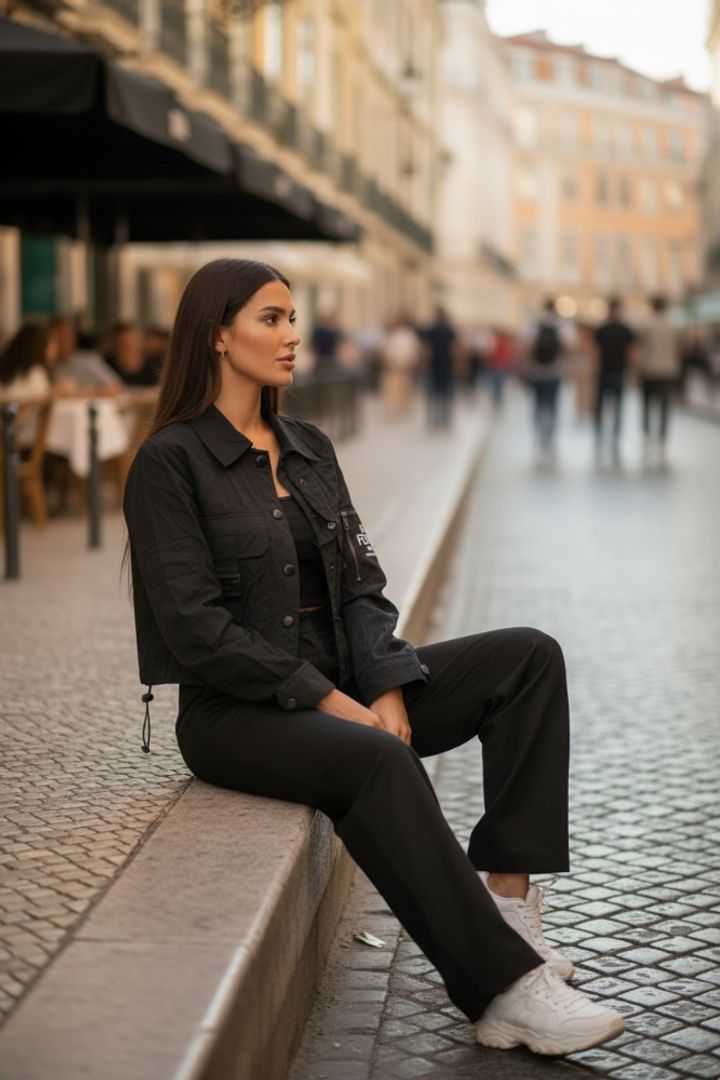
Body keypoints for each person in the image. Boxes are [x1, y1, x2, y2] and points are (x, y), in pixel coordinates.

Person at [122, 258, 624, 1058]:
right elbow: (194, 630)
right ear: (217, 337)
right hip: (238, 713)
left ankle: (506, 903)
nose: (292, 336)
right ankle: (503, 992)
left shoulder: (309, 445)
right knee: (378, 763)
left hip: (348, 684)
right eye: (271, 319)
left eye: (293, 318)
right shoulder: (169, 463)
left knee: (527, 658)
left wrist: (386, 682)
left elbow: (362, 582)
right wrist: (331, 701)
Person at [637, 296, 681, 462]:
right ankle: (662, 440)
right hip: (667, 371)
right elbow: (677, 350)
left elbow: (640, 349)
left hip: (649, 370)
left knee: (647, 405)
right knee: (664, 407)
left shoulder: (646, 325)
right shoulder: (672, 325)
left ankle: (648, 437)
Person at [593, 298, 636, 462]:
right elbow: (631, 354)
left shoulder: (602, 329)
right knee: (617, 408)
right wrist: (632, 374)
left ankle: (599, 438)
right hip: (619, 373)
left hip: (604, 373)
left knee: (601, 408)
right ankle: (614, 440)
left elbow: (595, 353)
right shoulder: (625, 330)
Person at [49, 317, 124, 394]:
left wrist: (78, 392)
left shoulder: (89, 360)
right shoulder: (46, 365)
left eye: (68, 335)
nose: (64, 340)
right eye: (59, 336)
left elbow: (116, 387)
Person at [421, 306, 457, 429]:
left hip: (445, 366)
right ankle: (437, 419)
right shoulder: (432, 330)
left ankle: (443, 419)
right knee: (435, 395)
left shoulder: (449, 330)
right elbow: (427, 348)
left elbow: (454, 348)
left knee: (444, 395)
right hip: (436, 366)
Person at [379, 314, 421, 418]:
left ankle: (401, 408)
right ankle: (395, 408)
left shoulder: (407, 336)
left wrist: (408, 362)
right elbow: (387, 350)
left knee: (403, 388)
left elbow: (412, 350)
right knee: (393, 388)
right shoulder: (393, 336)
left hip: (403, 366)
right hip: (393, 366)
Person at [105, 322, 161, 387]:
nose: (130, 349)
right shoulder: (106, 366)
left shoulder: (154, 366)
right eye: (124, 345)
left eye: (132, 344)